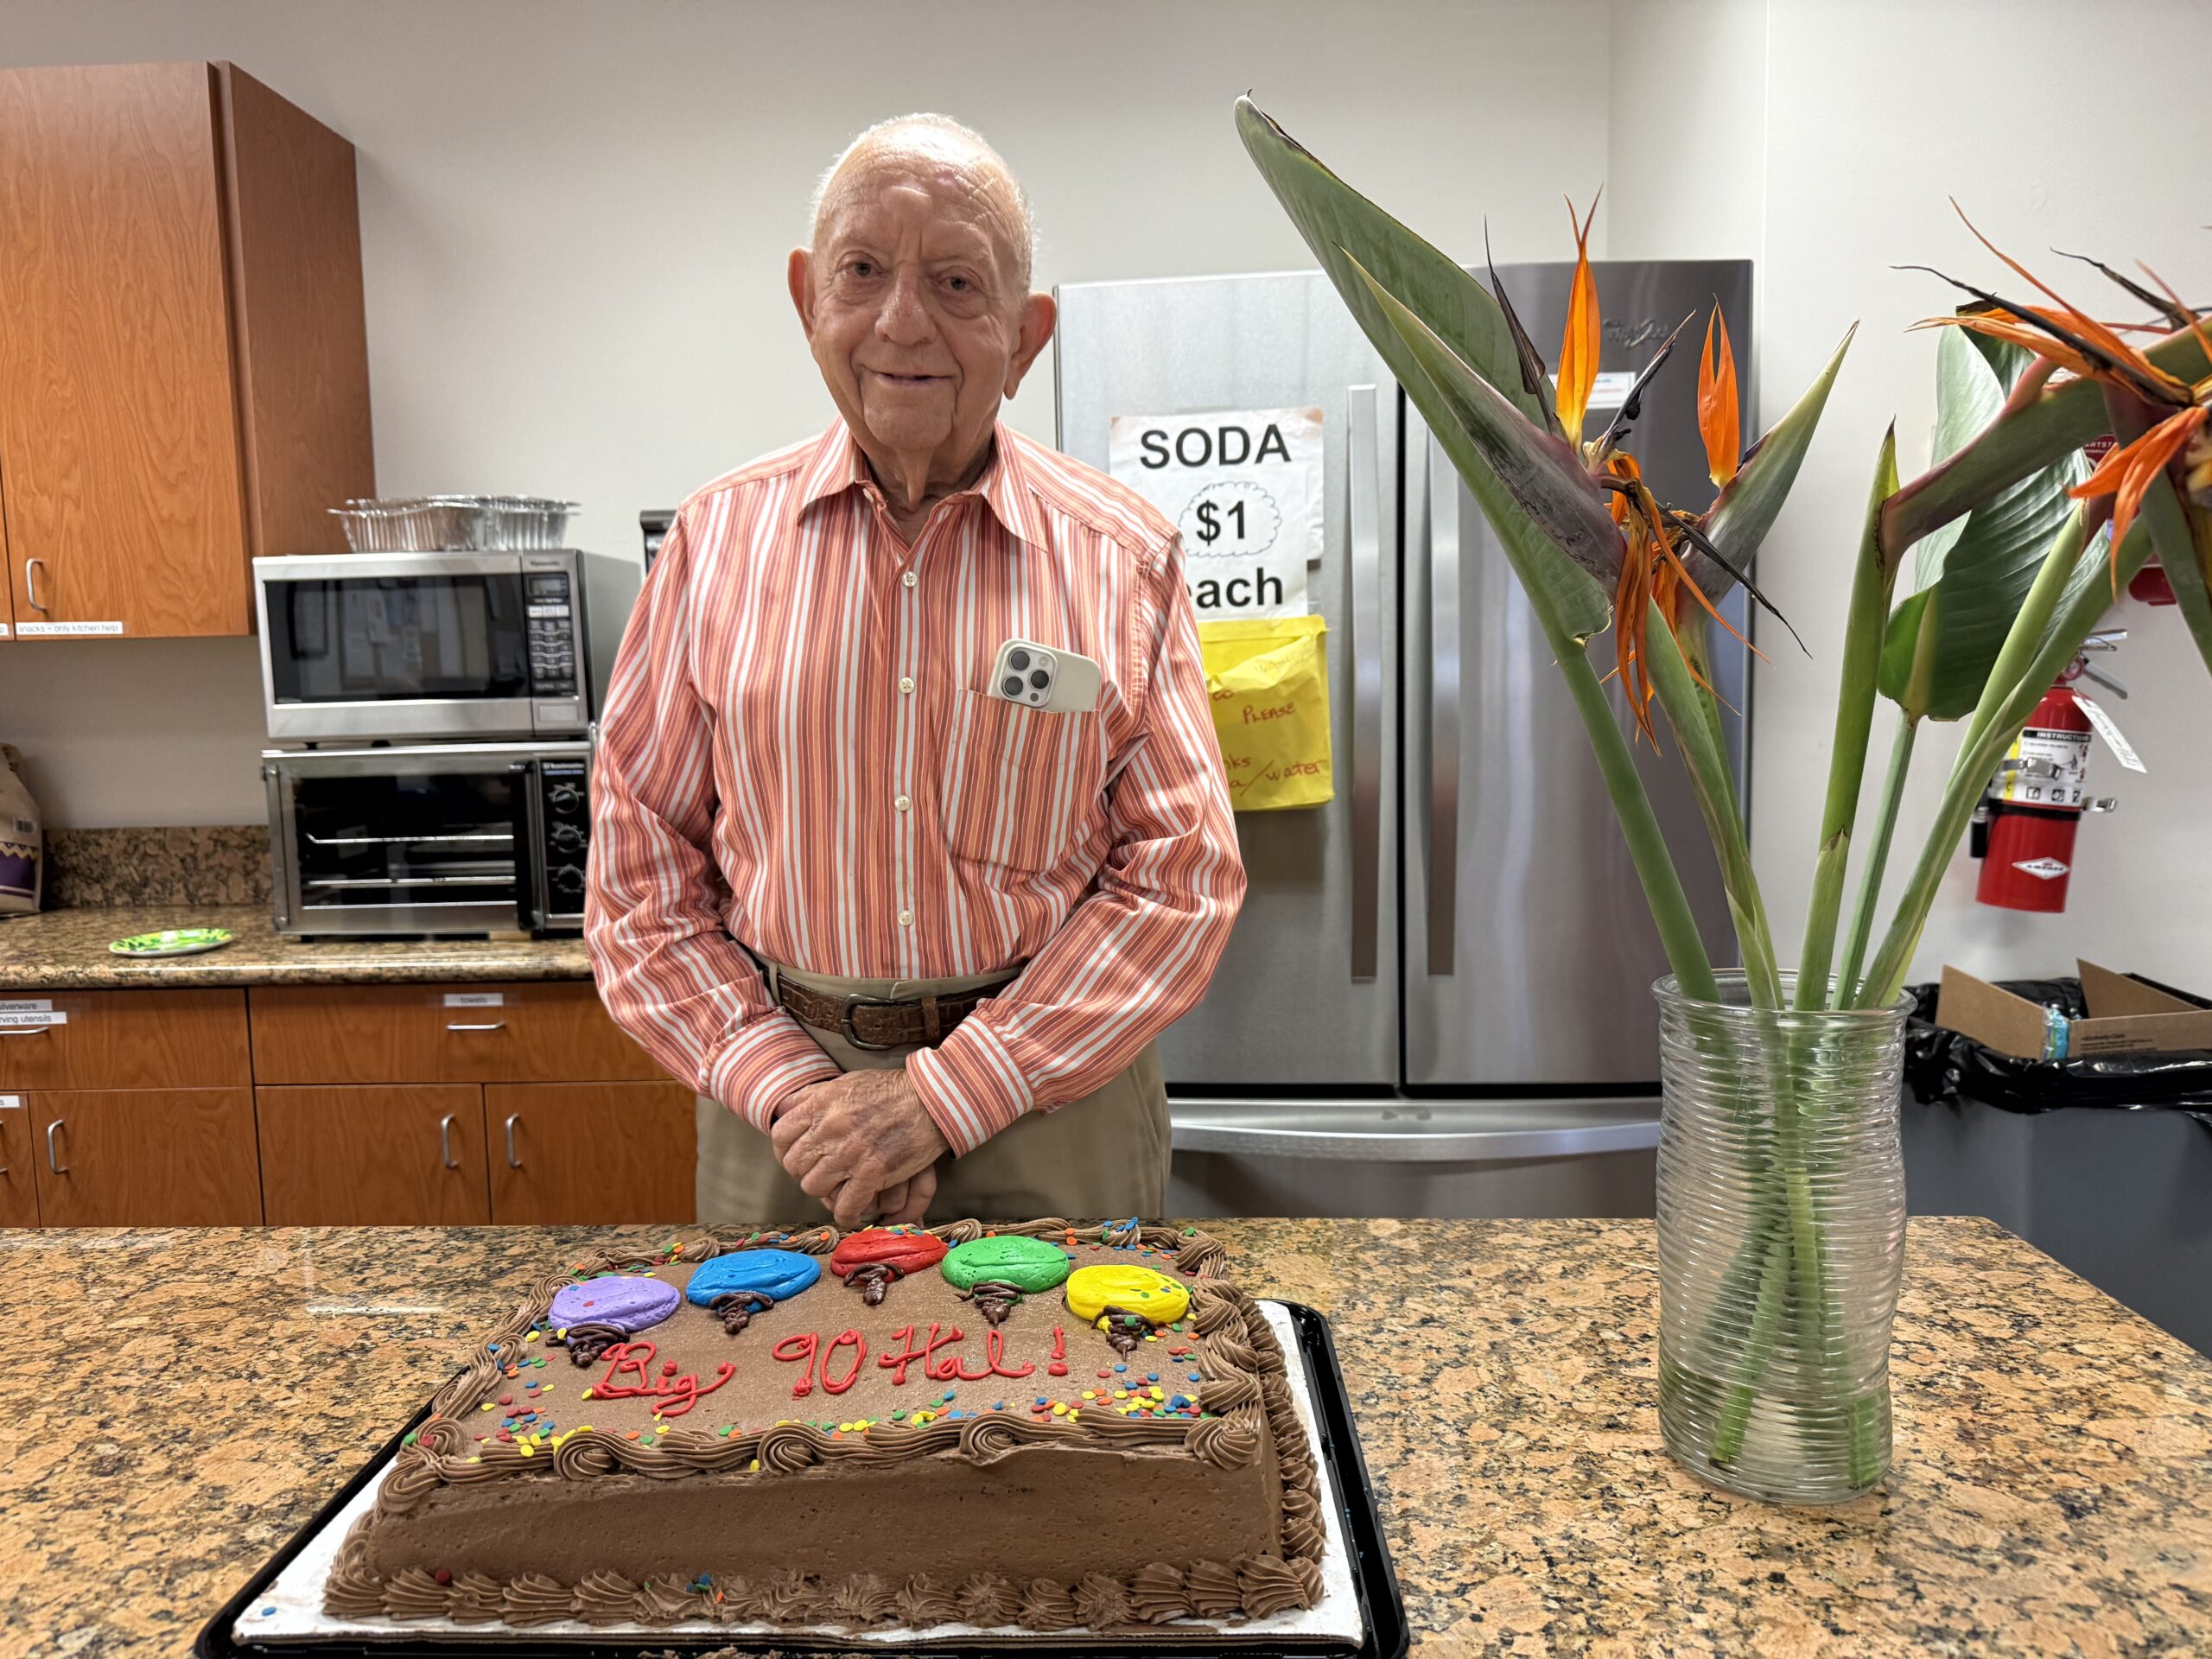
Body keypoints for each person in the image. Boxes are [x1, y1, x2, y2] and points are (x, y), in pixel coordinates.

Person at [586, 113, 1243, 1230]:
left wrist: (944, 1096)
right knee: (763, 1357)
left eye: (955, 282)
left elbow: (1181, 878)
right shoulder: (710, 546)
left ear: (1025, 339)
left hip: (1051, 1100)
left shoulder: (1124, 557)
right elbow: (638, 876)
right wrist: (794, 1090)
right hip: (782, 1114)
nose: (901, 321)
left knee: (1081, 1359)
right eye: (862, 271)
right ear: (807, 299)